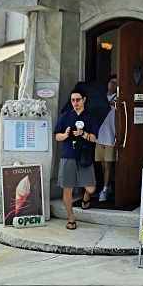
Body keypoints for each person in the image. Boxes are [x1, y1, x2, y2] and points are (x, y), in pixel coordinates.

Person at [54, 85, 99, 230]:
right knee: (67, 188)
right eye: (73, 100)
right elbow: (57, 136)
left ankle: (86, 198)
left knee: (91, 188)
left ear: (84, 100)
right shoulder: (66, 116)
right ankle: (71, 219)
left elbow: (93, 138)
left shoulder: (90, 117)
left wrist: (83, 134)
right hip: (68, 155)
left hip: (84, 156)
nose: (75, 103)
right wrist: (66, 135)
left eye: (78, 100)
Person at [96, 75, 118, 201]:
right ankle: (108, 185)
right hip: (99, 134)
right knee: (103, 164)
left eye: (116, 83)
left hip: (111, 134)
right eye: (111, 82)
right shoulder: (100, 98)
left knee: (108, 164)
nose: (113, 85)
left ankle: (104, 190)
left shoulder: (118, 99)